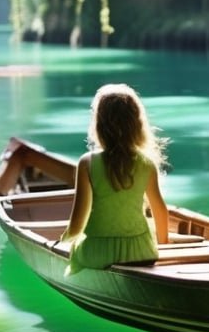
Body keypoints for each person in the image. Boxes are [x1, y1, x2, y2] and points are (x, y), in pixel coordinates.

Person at [58, 83, 170, 274]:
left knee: (76, 247)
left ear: (99, 126)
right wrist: (164, 245)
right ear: (137, 124)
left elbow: (77, 226)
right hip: (140, 252)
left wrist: (63, 240)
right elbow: (161, 212)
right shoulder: (147, 164)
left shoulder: (87, 163)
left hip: (98, 253)